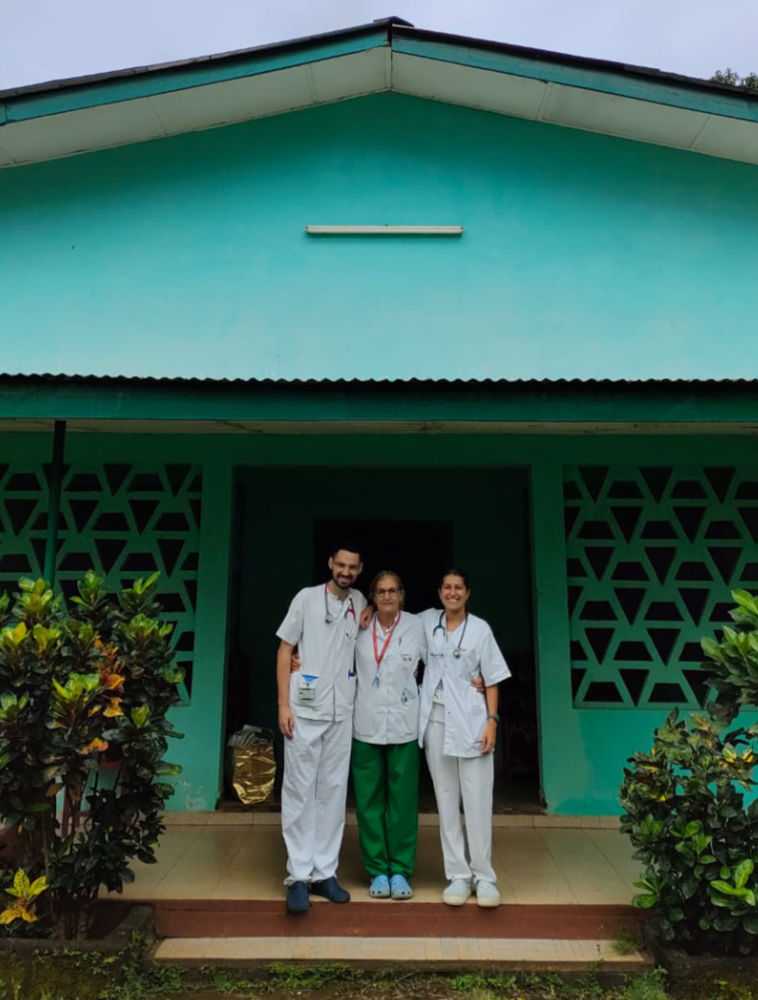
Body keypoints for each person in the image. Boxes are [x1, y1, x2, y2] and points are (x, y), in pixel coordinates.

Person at [275, 545, 366, 914]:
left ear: (359, 570)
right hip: (303, 711)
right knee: (299, 790)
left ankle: (324, 873)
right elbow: (285, 650)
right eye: (340, 564)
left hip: (340, 712)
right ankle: (298, 876)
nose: (345, 571)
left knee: (332, 792)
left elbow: (373, 618)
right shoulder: (307, 599)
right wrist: (283, 704)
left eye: (352, 567)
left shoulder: (359, 601)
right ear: (330, 564)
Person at [418, 569, 510, 909]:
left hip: (473, 721)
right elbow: (392, 615)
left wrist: (492, 721)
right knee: (445, 799)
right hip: (436, 720)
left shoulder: (480, 629)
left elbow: (493, 678)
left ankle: (484, 876)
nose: (452, 593)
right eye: (447, 587)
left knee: (477, 800)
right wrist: (368, 610)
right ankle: (458, 874)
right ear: (439, 591)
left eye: (459, 588)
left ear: (468, 593)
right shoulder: (427, 622)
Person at [351, 571, 425, 901]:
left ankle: (402, 870)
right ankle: (378, 870)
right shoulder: (359, 627)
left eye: (393, 591)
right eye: (380, 591)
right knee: (368, 803)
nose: (387, 597)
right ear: (372, 596)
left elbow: (447, 657)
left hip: (404, 725)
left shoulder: (419, 626)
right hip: (365, 724)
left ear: (402, 595)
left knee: (403, 803)